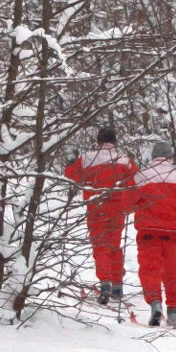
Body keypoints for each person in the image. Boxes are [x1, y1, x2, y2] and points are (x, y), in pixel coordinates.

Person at [127, 141, 176, 327]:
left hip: (149, 232)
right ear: (170, 157)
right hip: (175, 234)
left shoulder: (141, 177)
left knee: (149, 269)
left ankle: (155, 303)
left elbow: (130, 202)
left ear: (153, 156)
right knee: (171, 271)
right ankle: (173, 309)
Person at [65, 128, 137, 305]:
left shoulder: (88, 159)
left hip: (96, 208)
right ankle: (117, 285)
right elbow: (135, 181)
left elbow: (71, 176)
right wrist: (129, 206)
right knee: (114, 246)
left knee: (100, 247)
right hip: (117, 209)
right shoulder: (124, 160)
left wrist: (70, 162)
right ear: (115, 141)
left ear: (98, 142)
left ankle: (105, 284)